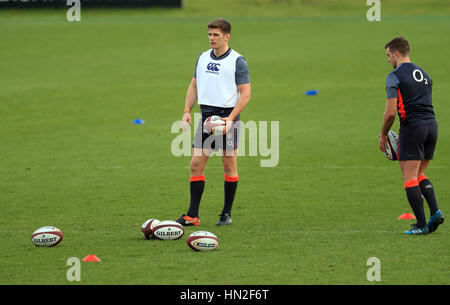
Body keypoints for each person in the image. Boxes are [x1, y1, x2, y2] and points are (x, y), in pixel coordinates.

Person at [176, 18, 251, 226]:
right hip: (206, 117)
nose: (211, 38)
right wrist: (186, 111)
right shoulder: (201, 58)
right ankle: (192, 215)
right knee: (195, 165)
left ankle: (226, 213)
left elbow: (245, 94)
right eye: (209, 34)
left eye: (216, 35)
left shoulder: (237, 61)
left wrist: (230, 118)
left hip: (227, 118)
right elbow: (194, 86)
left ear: (226, 36)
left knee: (228, 165)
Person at [379, 37, 444, 235]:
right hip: (431, 127)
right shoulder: (424, 74)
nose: (388, 60)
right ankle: (435, 212)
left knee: (408, 177)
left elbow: (391, 113)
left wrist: (383, 134)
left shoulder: (394, 76)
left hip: (413, 128)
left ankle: (421, 225)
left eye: (389, 56)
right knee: (418, 173)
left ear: (397, 53)